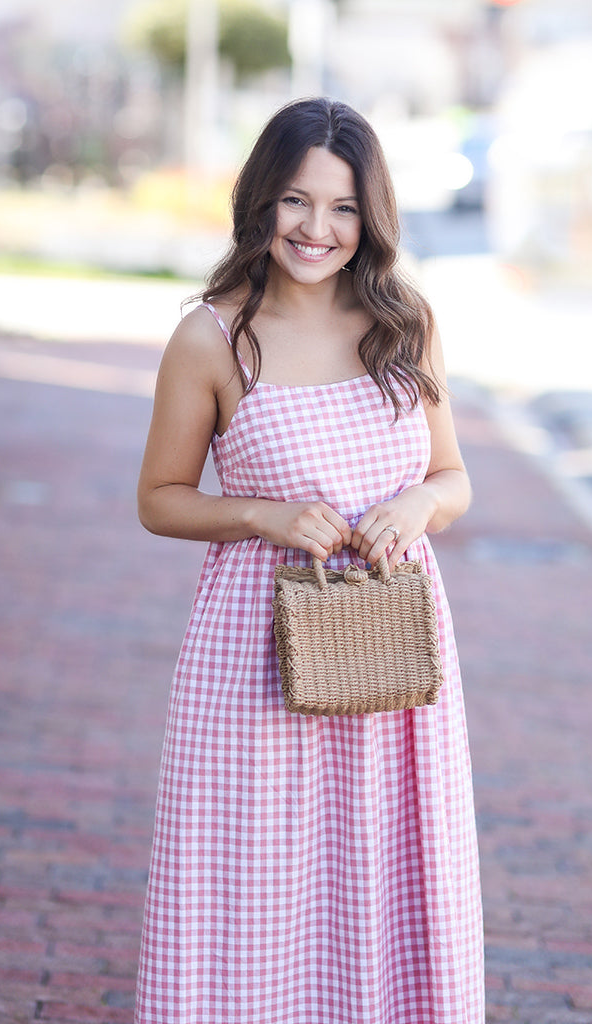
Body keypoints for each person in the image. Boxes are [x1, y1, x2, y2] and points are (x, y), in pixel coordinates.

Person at [134, 97, 484, 1024]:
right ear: (261, 202)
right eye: (296, 201)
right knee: (249, 880)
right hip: (250, 656)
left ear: (369, 217)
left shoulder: (405, 323)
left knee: (384, 875)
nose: (316, 229)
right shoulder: (211, 337)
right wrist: (264, 513)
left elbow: (452, 479)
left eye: (341, 208)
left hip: (393, 656)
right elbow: (158, 500)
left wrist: (416, 503)